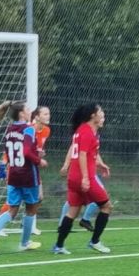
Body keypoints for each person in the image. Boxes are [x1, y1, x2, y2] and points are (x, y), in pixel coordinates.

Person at [0, 101, 48, 253]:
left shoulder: (9, 129)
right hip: (28, 174)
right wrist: (39, 160)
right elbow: (26, 152)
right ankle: (24, 243)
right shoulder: (28, 129)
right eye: (27, 109)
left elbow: (14, 151)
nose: (30, 111)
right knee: (31, 208)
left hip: (13, 174)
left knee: (12, 210)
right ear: (22, 113)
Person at [52, 104, 112, 254]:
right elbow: (82, 155)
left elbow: (90, 154)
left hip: (74, 177)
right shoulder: (87, 132)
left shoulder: (83, 130)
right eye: (101, 112)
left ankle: (59, 246)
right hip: (84, 177)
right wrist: (85, 177)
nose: (103, 115)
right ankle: (95, 241)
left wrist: (101, 164)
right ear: (93, 116)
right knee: (106, 206)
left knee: (73, 211)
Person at [0, 105, 51, 237]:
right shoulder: (27, 129)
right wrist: (3, 164)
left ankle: (27, 224)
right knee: (13, 201)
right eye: (45, 114)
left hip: (31, 168)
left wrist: (39, 154)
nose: (48, 116)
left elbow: (34, 149)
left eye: (48, 114)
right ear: (36, 117)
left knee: (38, 198)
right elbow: (15, 148)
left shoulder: (46, 130)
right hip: (19, 167)